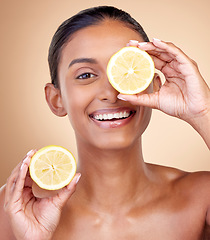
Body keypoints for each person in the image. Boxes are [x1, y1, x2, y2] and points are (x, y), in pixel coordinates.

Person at [0, 5, 209, 240]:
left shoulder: (202, 198)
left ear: (154, 86)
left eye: (127, 70)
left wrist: (203, 111)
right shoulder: (14, 208)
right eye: (86, 75)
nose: (110, 93)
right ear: (56, 99)